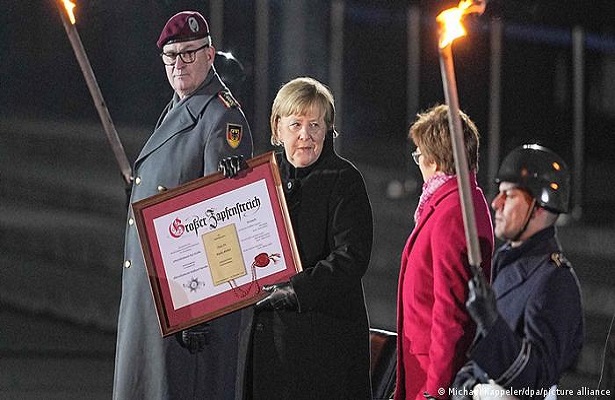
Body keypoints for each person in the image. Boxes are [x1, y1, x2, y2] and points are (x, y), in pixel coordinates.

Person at [112, 11, 253, 400]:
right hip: (157, 293)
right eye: (171, 56)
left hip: (184, 301)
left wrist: (203, 309)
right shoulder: (181, 105)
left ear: (210, 55)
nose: (179, 64)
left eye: (189, 53)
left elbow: (223, 224)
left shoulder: (221, 117)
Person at [221, 77, 373, 399]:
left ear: (327, 129)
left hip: (323, 349)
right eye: (296, 124)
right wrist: (228, 188)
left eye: (315, 125)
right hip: (268, 344)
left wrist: (295, 290)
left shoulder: (344, 180)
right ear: (277, 129)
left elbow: (351, 257)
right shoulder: (259, 177)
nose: (306, 135)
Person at [452, 144, 584, 400]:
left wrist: (491, 323)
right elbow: (478, 360)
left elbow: (537, 379)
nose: (495, 203)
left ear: (538, 207)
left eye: (509, 196)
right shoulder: (507, 262)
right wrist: (467, 386)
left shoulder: (555, 281)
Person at [395, 104, 494, 400]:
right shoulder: (452, 202)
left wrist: (435, 391)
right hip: (424, 366)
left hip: (432, 373)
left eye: (419, 155)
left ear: (435, 160)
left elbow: (450, 313)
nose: (418, 162)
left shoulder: (453, 212)